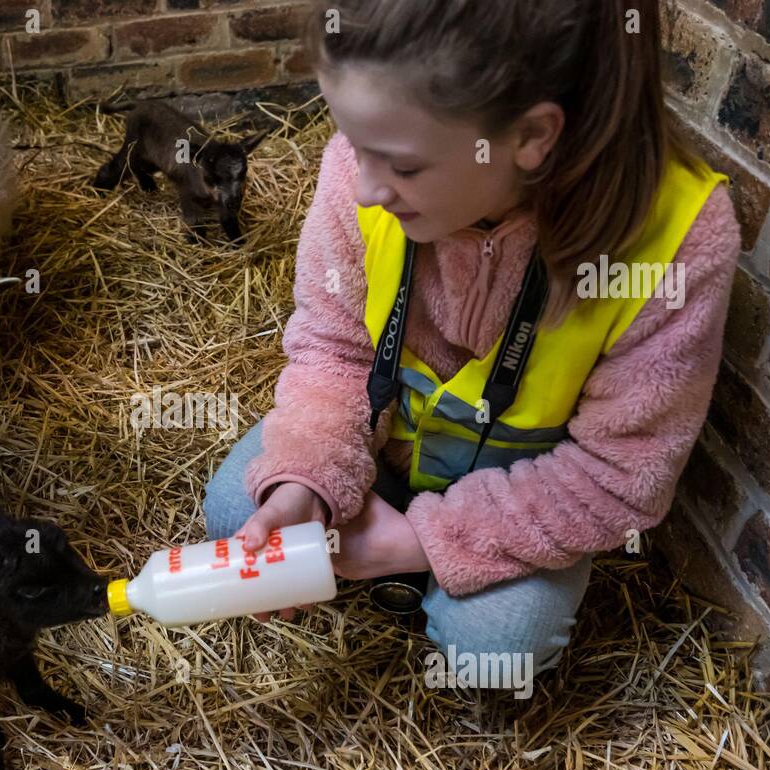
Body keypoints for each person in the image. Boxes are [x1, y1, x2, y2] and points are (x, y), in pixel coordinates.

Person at [203, 0, 740, 682]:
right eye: (351, 144)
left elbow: (619, 477)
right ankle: (376, 546)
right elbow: (333, 350)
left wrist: (428, 541)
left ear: (533, 136)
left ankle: (404, 568)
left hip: (515, 496)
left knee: (497, 648)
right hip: (381, 444)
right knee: (235, 513)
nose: (364, 189)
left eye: (401, 166)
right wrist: (308, 477)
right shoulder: (370, 161)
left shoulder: (680, 239)